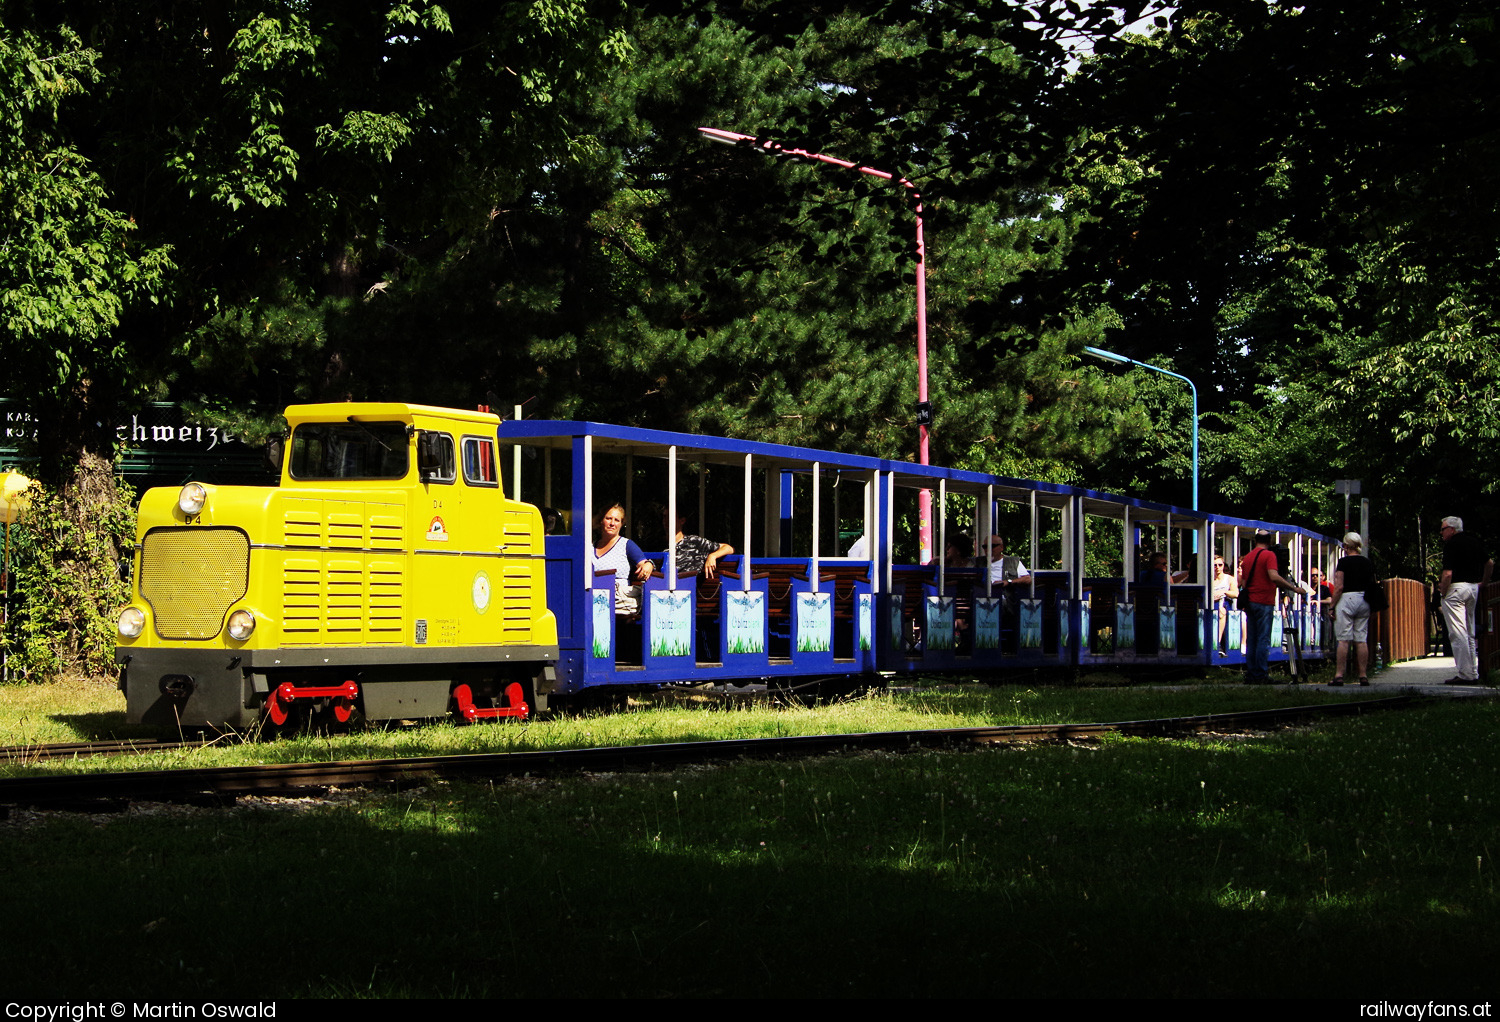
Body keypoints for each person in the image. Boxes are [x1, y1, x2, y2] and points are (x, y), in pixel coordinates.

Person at [1239, 530, 1311, 684]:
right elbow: (1273, 576)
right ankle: (1261, 674)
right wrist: (1294, 588)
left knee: (1252, 639)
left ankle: (1251, 673)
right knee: (1263, 639)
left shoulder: (1248, 557)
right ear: (1269, 541)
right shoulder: (1269, 555)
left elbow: (1244, 583)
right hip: (1264, 601)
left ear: (1255, 539)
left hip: (1250, 602)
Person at [1438, 515, 1493, 685]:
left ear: (1452, 530)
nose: (1441, 533)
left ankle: (1465, 674)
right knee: (1469, 632)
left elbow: (1447, 573)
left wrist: (1443, 592)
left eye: (1443, 529)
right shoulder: (1474, 542)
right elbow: (1489, 563)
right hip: (1472, 588)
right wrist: (1484, 582)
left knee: (1457, 632)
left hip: (1456, 588)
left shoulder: (1451, 545)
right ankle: (1473, 672)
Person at [1328, 532, 1375, 686]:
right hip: (1364, 599)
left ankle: (1339, 675)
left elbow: (1339, 587)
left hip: (1347, 599)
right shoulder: (1367, 562)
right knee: (1361, 639)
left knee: (1343, 640)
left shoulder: (1343, 563)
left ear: (1346, 546)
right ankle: (1363, 675)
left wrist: (1332, 606)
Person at [593, 503, 652, 615]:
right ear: (601, 521)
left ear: (621, 524)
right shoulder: (590, 547)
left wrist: (649, 564)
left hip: (617, 604)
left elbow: (644, 563)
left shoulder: (626, 545)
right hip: (592, 600)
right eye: (608, 518)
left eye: (616, 520)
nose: (612, 523)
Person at [663, 509, 734, 579]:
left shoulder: (694, 542)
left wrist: (712, 556)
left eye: (670, 517)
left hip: (688, 587)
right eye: (664, 517)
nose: (666, 521)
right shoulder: (659, 544)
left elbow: (728, 548)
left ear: (682, 521)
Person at [1211, 554, 1239, 654]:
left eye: (1220, 565)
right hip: (1210, 604)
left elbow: (1235, 593)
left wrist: (1224, 592)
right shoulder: (1208, 579)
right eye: (1215, 565)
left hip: (1224, 605)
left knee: (1221, 612)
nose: (1217, 568)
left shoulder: (1229, 579)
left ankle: (1217, 644)